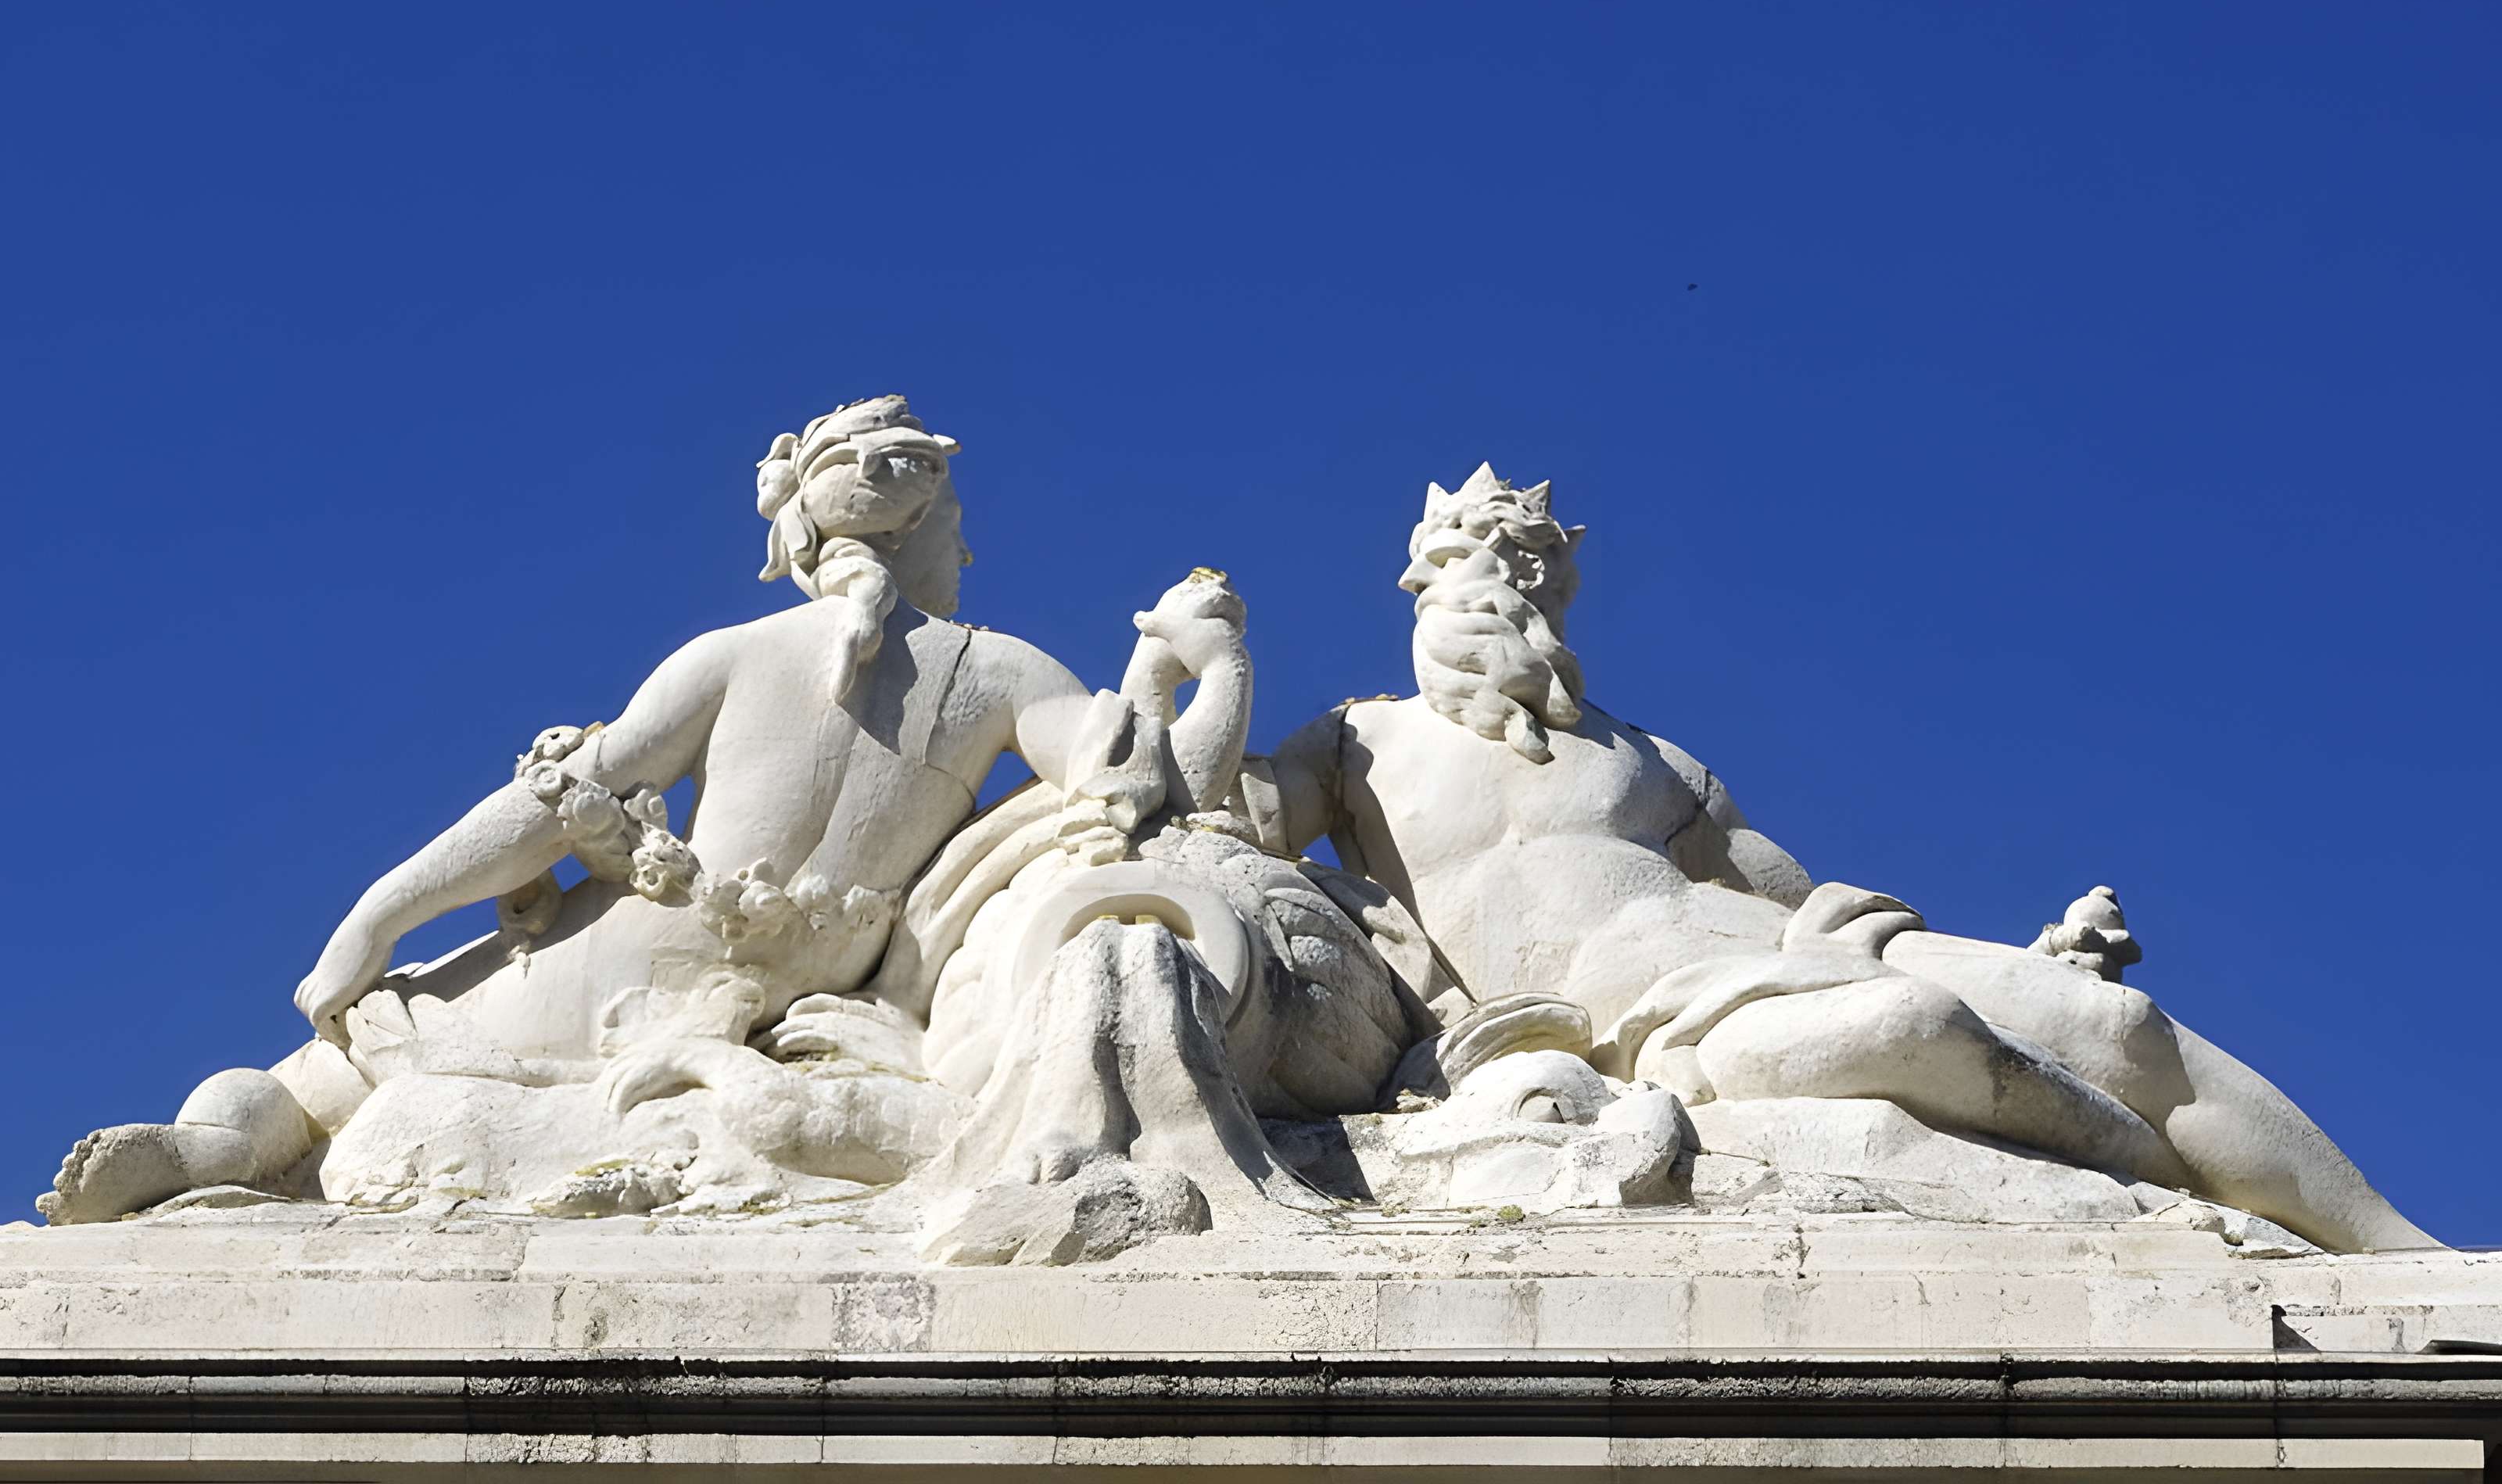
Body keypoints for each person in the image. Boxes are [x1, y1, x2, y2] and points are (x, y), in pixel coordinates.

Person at [41, 396, 1250, 1224]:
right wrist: (1205, 664)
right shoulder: (981, 671)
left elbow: (562, 806)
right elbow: (1151, 791)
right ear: (928, 517)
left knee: (324, 1083)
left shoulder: (809, 657)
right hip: (714, 982)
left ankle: (209, 1149)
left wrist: (383, 912)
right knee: (325, 1086)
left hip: (679, 977)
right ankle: (203, 1154)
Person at [1245, 465, 2435, 1253]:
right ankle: (2160, 1190)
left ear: (1549, 587)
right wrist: (1195, 674)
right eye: (1457, 570)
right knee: (1915, 1030)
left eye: (1516, 569)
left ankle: (2412, 1262)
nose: (1483, 594)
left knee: (2117, 1028)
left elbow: (1795, 895)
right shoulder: (1356, 739)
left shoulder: (1655, 762)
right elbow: (1213, 824)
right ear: (1419, 588)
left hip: (1758, 952)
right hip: (1629, 1032)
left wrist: (2025, 959)